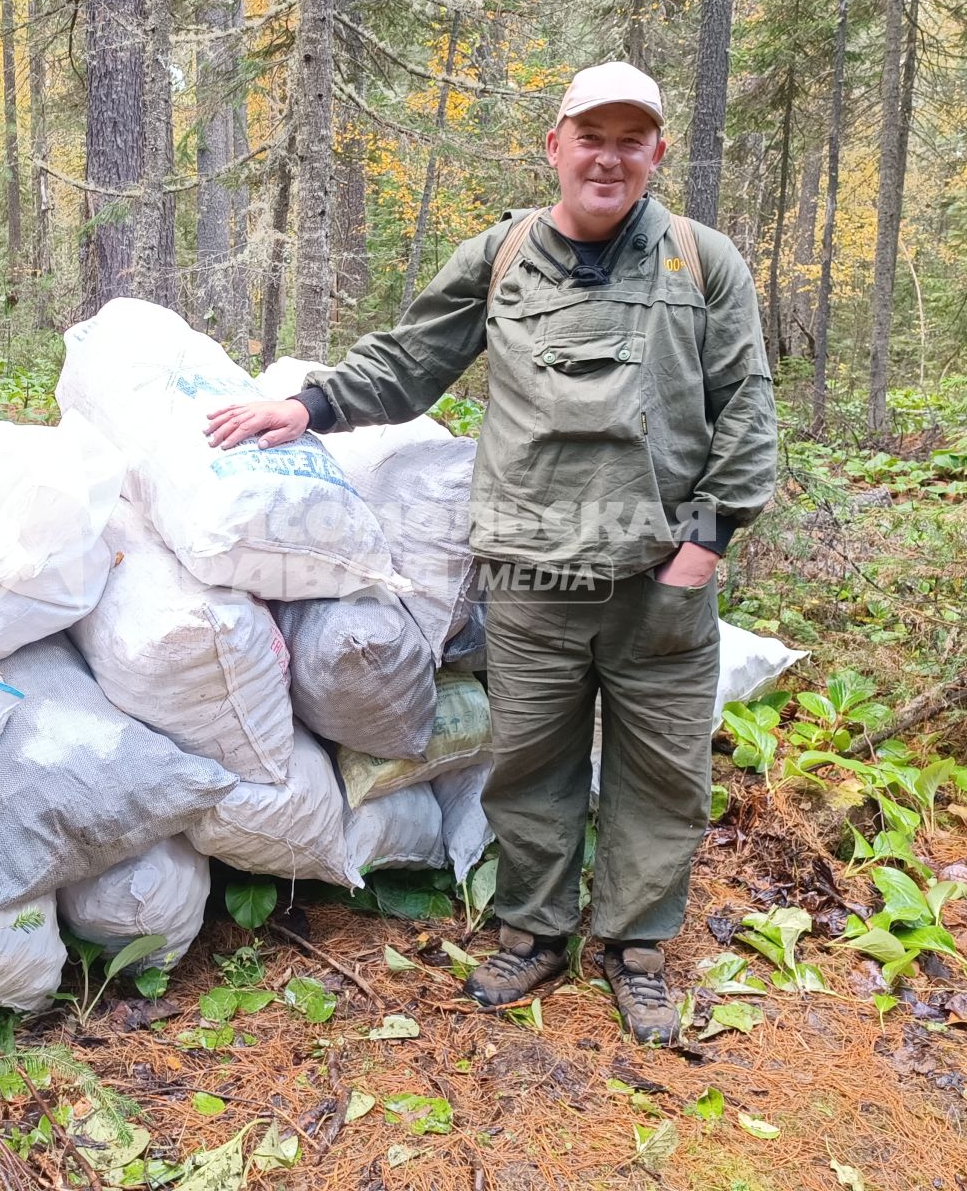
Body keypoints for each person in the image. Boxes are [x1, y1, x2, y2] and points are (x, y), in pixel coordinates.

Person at [204, 62, 777, 1045]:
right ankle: (534, 931)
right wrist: (311, 404)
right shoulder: (505, 252)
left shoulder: (702, 260)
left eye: (629, 138)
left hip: (657, 578)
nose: (608, 155)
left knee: (663, 771)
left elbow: (747, 406)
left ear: (656, 153)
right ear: (554, 145)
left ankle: (637, 948)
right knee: (532, 766)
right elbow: (414, 355)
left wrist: (708, 542)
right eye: (588, 135)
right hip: (530, 572)